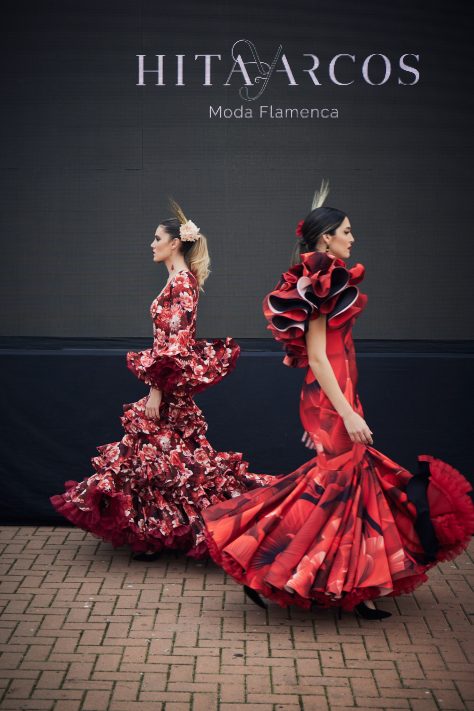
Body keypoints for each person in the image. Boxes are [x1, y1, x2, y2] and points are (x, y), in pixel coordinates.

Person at [203, 181, 474, 618]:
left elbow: (325, 353)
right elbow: (315, 354)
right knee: (336, 489)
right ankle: (277, 567)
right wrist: (344, 412)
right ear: (326, 238)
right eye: (346, 231)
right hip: (332, 403)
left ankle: (341, 583)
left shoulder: (325, 279)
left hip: (337, 397)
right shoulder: (322, 281)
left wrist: (347, 403)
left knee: (344, 488)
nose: (353, 237)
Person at [50, 200, 272, 560]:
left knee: (179, 465)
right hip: (165, 386)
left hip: (166, 389)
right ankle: (159, 532)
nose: (151, 244)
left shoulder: (182, 284)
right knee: (166, 464)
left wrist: (156, 392)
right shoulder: (177, 281)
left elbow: (175, 346)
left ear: (174, 243)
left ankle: (236, 518)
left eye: (156, 238)